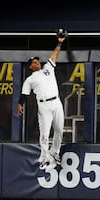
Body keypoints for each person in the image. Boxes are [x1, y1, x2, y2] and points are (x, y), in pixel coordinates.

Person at [18, 33, 66, 170]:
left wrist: (60, 43)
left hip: (56, 102)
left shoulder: (48, 68)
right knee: (44, 134)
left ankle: (55, 152)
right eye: (34, 62)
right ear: (30, 67)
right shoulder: (30, 79)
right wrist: (20, 104)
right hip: (43, 105)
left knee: (59, 130)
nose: (37, 62)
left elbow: (55, 55)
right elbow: (24, 94)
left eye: (37, 60)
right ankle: (44, 158)